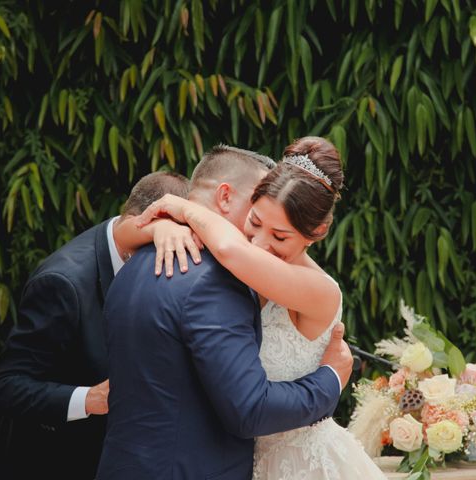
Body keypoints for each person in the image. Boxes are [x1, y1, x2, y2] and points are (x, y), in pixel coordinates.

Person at [97, 145, 354, 479]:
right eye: (255, 221)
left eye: (279, 235)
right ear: (232, 199)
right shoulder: (209, 275)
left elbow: (230, 248)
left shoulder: (141, 262)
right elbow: (248, 408)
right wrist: (330, 380)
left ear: (316, 234)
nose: (259, 244)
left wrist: (182, 210)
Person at [0, 171, 196, 480]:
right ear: (142, 223)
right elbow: (5, 387)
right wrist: (88, 399)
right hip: (48, 461)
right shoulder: (62, 284)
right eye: (163, 241)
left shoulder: (142, 247)